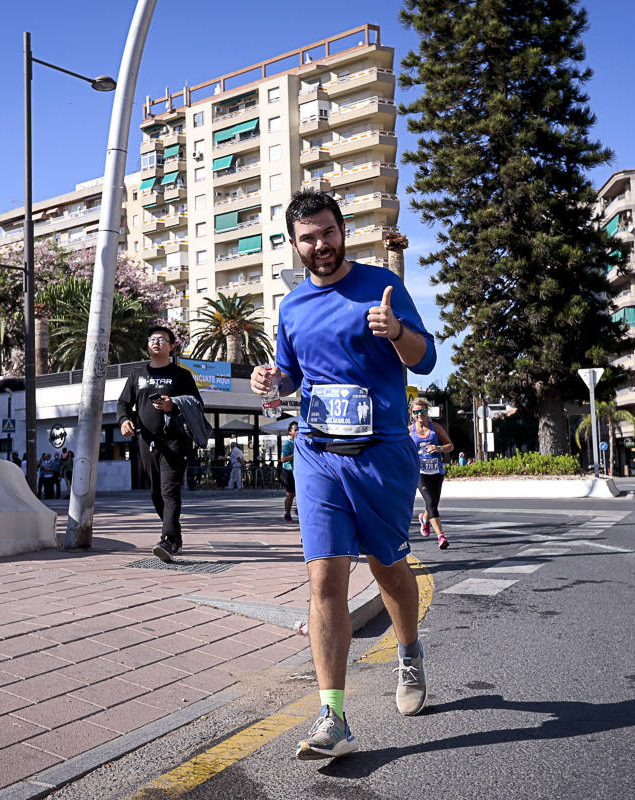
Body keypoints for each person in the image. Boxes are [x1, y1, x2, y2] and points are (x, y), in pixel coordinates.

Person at [252, 189, 436, 761]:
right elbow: (289, 376)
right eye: (307, 237)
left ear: (342, 230)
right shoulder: (292, 307)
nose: (320, 245)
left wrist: (395, 330)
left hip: (381, 451)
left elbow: (424, 359)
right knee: (324, 575)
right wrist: (271, 383)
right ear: (294, 244)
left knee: (388, 567)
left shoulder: (381, 285)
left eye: (327, 232)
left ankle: (408, 649)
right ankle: (332, 713)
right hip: (316, 451)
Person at [116, 326, 203, 562]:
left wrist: (172, 404)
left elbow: (196, 403)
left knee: (169, 490)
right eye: (152, 338)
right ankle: (175, 532)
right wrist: (124, 420)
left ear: (172, 346)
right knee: (156, 493)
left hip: (175, 440)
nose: (156, 342)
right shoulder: (137, 375)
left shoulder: (181, 375)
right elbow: (123, 403)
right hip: (146, 441)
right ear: (148, 344)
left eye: (162, 339)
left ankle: (169, 540)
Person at [409, 397, 451, 550]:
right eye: (416, 412)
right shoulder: (409, 431)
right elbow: (402, 451)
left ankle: (424, 518)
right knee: (432, 503)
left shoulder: (435, 428)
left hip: (437, 471)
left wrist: (439, 448)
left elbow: (450, 445)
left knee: (432, 503)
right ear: (412, 414)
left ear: (427, 411)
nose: (420, 414)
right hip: (420, 472)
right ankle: (441, 536)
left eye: (423, 411)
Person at [280, 420, 299, 522]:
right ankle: (287, 514)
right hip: (288, 471)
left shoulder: (301, 442)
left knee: (301, 493)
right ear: (290, 432)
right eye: (295, 430)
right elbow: (282, 459)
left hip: (298, 471)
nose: (297, 432)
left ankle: (298, 509)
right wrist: (294, 455)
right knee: (290, 494)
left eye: (299, 430)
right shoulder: (287, 444)